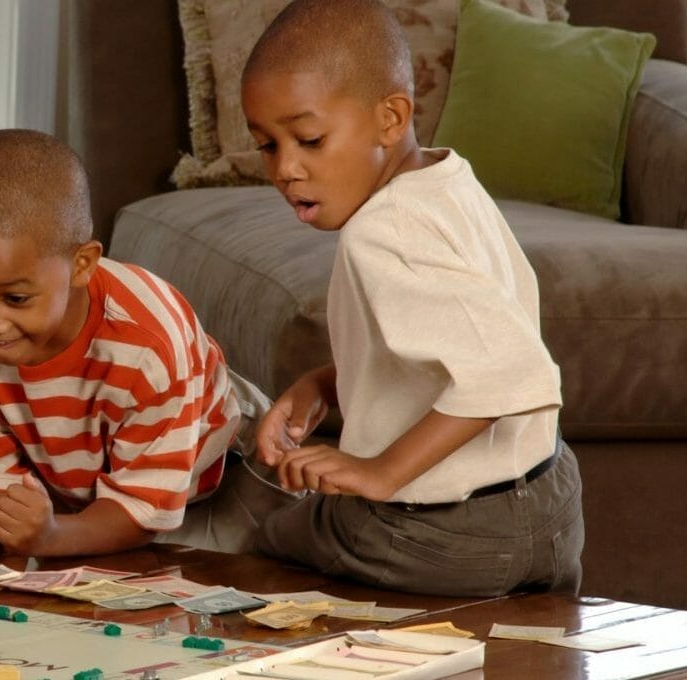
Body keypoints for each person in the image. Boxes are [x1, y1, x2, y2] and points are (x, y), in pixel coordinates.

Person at [242, 0, 584, 596]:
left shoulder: (382, 230)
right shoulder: (447, 180)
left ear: (390, 118)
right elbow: (470, 344)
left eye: (310, 139)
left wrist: (378, 473)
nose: (285, 169)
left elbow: (512, 375)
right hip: (550, 506)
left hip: (443, 532)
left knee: (268, 540)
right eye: (268, 145)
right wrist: (325, 383)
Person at [0, 129, 274, 559]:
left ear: (81, 265)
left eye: (15, 298)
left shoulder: (148, 347)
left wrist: (51, 537)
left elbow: (141, 510)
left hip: (221, 468)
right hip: (85, 482)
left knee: (227, 575)